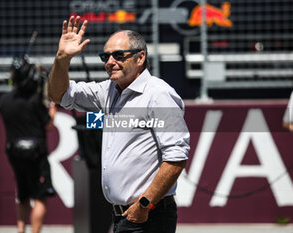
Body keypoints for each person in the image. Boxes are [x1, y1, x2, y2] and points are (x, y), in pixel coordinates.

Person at [48, 16, 190, 233]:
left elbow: (176, 157)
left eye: (118, 55)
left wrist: (144, 205)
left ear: (140, 57)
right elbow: (58, 94)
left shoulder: (159, 94)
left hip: (148, 215)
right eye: (105, 56)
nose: (110, 61)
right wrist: (61, 58)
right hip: (124, 215)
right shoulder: (108, 90)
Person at [0, 58, 56, 233]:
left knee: (22, 195)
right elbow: (48, 125)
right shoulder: (34, 101)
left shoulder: (4, 101)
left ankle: (21, 229)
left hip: (14, 154)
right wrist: (52, 107)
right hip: (35, 156)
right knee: (40, 197)